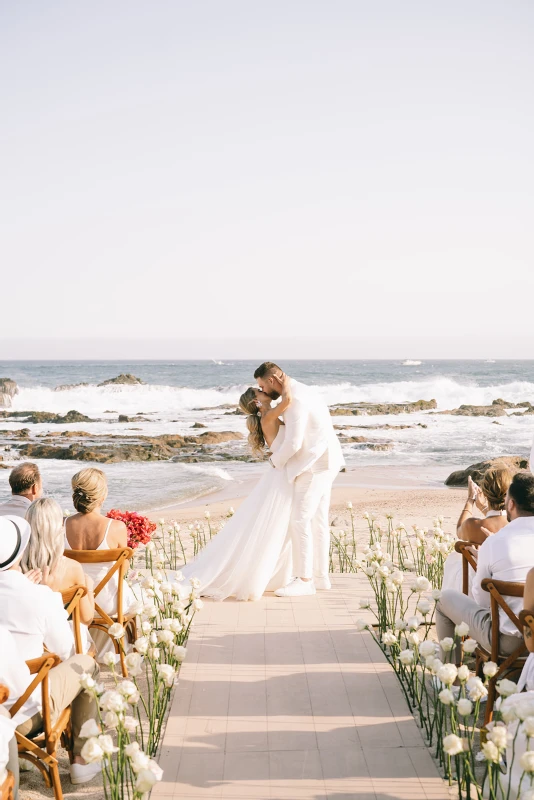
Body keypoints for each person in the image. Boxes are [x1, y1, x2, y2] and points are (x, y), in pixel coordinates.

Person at [0, 516, 101, 785]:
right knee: (84, 664)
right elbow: (64, 651)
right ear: (21, 552)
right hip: (25, 714)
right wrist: (48, 597)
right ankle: (81, 759)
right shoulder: (38, 595)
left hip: (3, 708)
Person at [181, 380, 294, 600]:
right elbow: (288, 399)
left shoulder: (269, 416)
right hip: (281, 477)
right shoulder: (268, 417)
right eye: (260, 391)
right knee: (274, 526)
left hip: (282, 474)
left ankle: (276, 575)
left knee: (277, 527)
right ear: (255, 401)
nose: (265, 391)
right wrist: (285, 381)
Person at [255, 362, 344, 596]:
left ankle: (305, 580)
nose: (263, 391)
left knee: (300, 521)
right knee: (318, 521)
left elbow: (294, 443)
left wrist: (276, 462)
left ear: (273, 379)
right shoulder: (305, 389)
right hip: (328, 459)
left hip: (314, 465)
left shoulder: (294, 401)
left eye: (263, 386)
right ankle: (320, 577)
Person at [436, 471, 534, 664]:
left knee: (443, 599)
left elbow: (481, 602)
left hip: (507, 643)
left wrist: (484, 560)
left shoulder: (494, 542)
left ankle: (452, 682)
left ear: (511, 504)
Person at [65, 468, 136, 660]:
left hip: (75, 604)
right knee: (140, 597)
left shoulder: (62, 525)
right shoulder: (116, 527)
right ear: (102, 496)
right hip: (110, 604)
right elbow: (123, 571)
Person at [22, 498, 95, 644]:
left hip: (29, 640)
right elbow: (86, 618)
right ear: (59, 528)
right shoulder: (72, 568)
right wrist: (89, 587)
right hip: (63, 643)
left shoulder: (18, 567)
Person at [441, 466, 513, 593]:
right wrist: (485, 509)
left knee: (453, 561)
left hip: (477, 589)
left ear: (485, 493)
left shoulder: (473, 525)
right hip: (506, 588)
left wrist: (470, 499)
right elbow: (498, 519)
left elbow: (459, 529)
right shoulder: (515, 524)